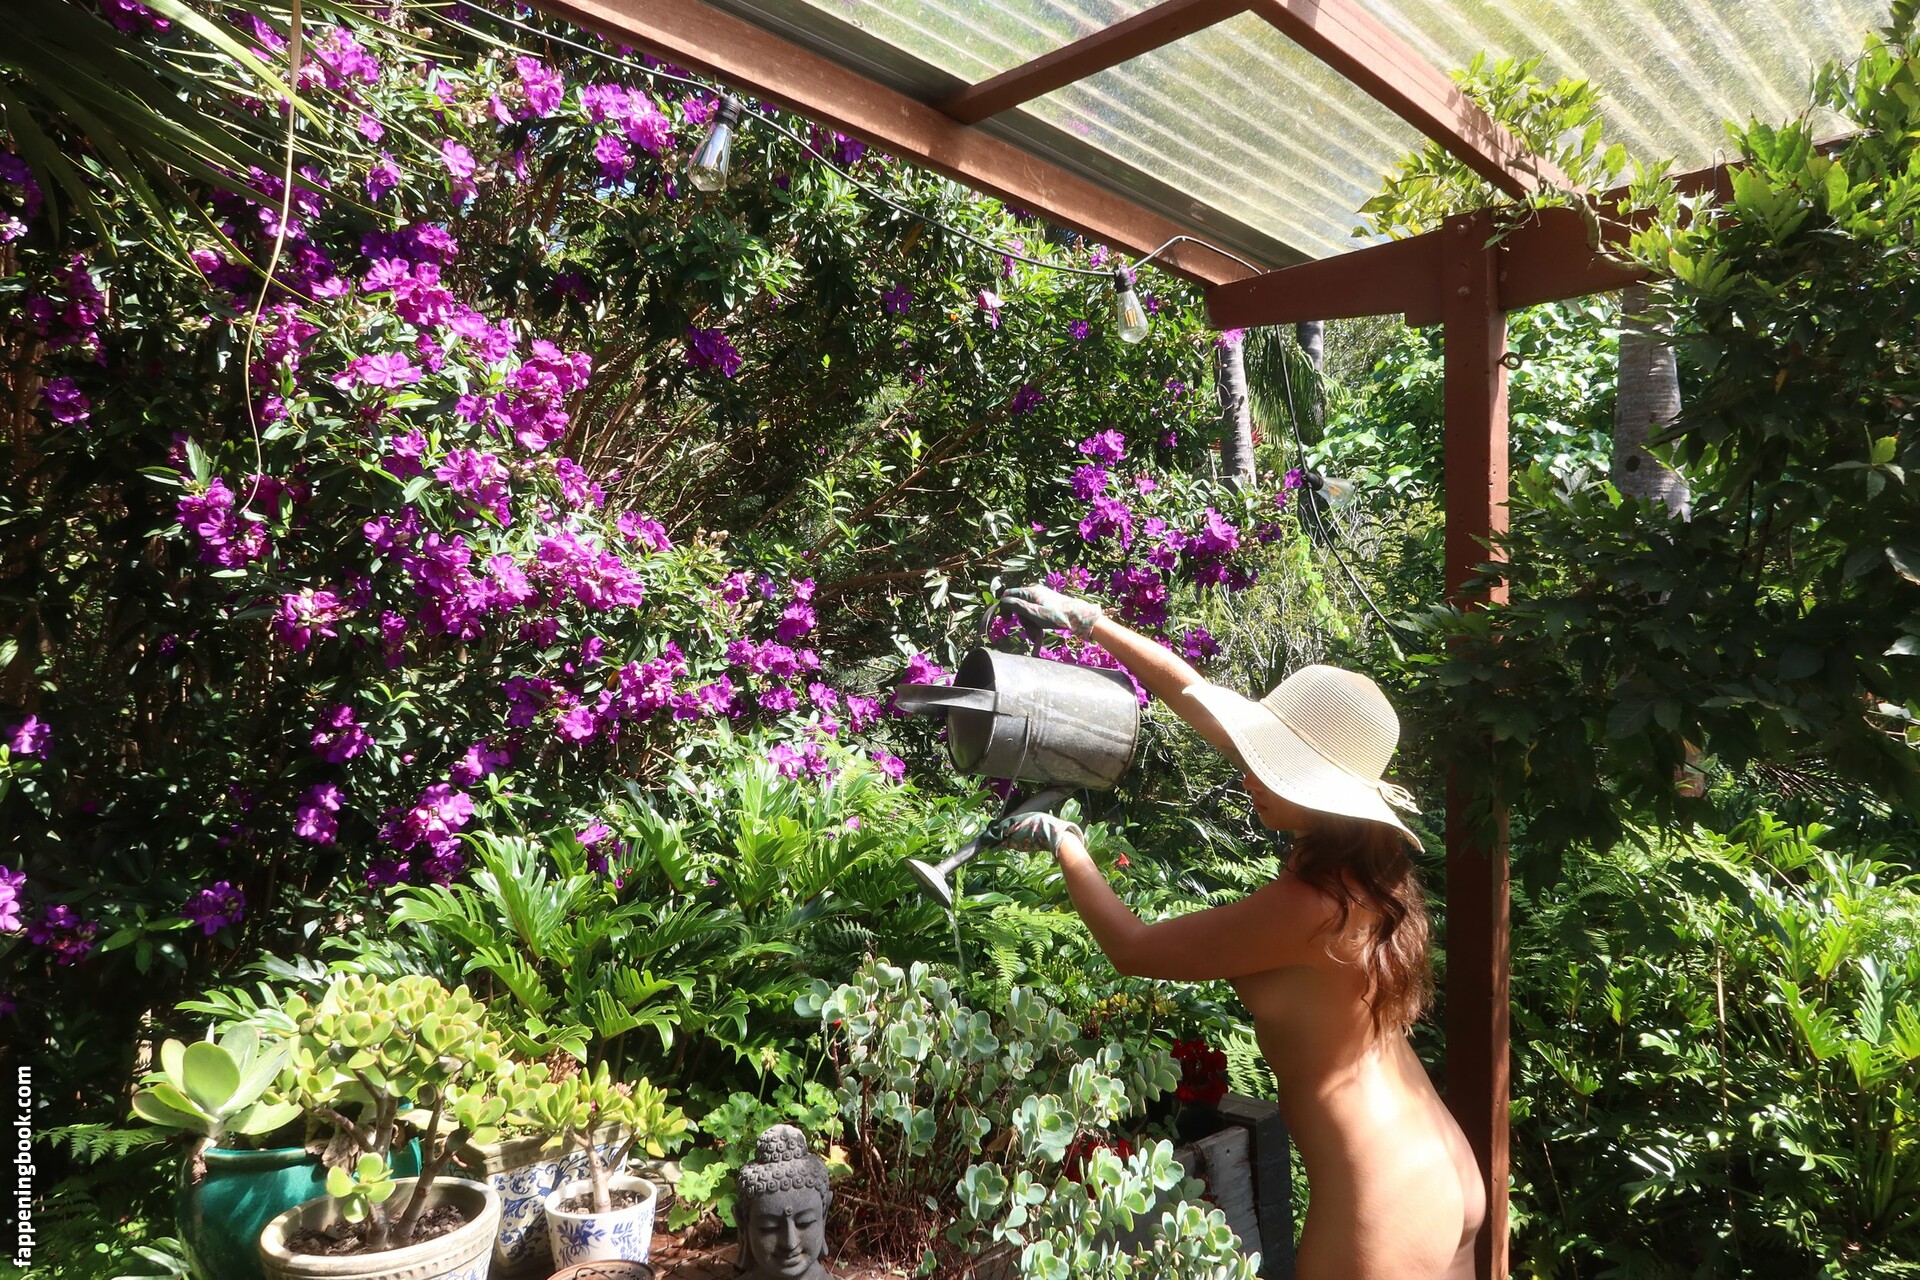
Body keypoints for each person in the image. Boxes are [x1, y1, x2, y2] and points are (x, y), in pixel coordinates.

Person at [991, 584, 1485, 1280]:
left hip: (1383, 1200)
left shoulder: (1310, 907)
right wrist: (1092, 621)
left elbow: (1134, 950)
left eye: (1272, 763)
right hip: (1438, 1163)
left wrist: (1064, 842)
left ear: (1314, 788)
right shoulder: (1367, 872)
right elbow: (1198, 698)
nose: (1249, 770)